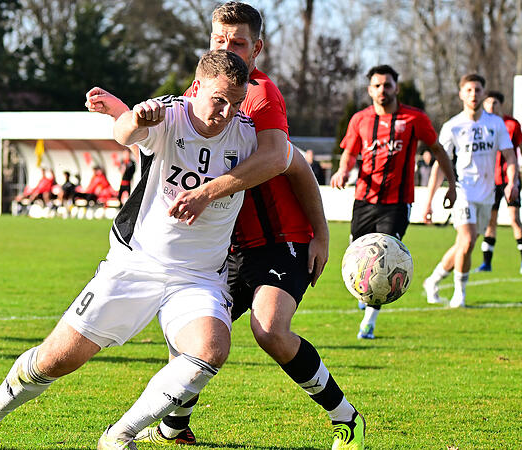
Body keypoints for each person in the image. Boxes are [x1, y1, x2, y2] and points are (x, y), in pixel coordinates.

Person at [0, 49, 255, 450]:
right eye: (218, 99)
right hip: (137, 264)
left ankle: (120, 434)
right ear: (197, 87)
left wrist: (320, 234)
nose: (226, 112)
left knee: (210, 350)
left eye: (235, 103)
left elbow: (287, 161)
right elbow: (125, 134)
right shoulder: (170, 113)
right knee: (55, 360)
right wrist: (134, 116)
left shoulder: (249, 133)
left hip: (200, 276)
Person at [87, 3, 363, 449]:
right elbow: (161, 138)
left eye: (237, 42)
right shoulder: (206, 89)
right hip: (229, 245)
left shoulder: (257, 94)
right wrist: (121, 110)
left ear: (256, 48)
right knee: (194, 336)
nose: (227, 47)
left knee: (270, 329)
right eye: (220, 39)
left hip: (280, 239)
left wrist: (321, 234)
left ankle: (345, 417)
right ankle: (174, 425)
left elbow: (284, 162)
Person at [329, 64, 457, 340]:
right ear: (369, 90)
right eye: (377, 86)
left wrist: (451, 185)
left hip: (398, 202)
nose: (382, 90)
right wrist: (342, 170)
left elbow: (438, 150)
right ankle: (365, 297)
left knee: (385, 258)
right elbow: (349, 153)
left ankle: (369, 322)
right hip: (364, 199)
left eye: (387, 85)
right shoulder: (360, 120)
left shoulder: (414, 119)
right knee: (358, 255)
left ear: (396, 88)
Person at [422, 74, 519, 309]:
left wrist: (512, 182)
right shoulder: (452, 126)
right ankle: (460, 295)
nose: (473, 94)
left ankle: (433, 281)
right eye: (469, 90)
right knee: (467, 242)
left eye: (477, 89)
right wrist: (429, 202)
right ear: (461, 94)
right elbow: (440, 163)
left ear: (484, 93)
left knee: (463, 245)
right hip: (462, 191)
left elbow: (509, 155)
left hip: (487, 194)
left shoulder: (496, 124)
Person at [476, 90, 522, 274]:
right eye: (487, 103)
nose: (490, 106)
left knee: (514, 219)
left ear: (500, 104)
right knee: (491, 222)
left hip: (509, 180)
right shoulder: (481, 125)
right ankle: (486, 263)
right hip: (490, 181)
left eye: (494, 102)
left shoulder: (511, 125)